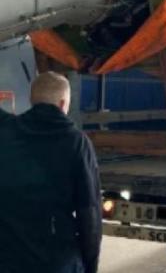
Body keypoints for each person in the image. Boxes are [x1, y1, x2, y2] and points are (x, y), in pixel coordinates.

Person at [0, 72, 101, 273]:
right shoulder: (77, 143)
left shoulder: (6, 132)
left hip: (8, 261)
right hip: (56, 262)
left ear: (32, 100)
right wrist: (91, 266)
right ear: (63, 104)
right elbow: (89, 214)